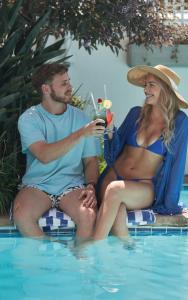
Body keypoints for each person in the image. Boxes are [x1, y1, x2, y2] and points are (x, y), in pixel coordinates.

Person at [93, 64, 188, 241]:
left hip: (143, 186)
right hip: (113, 176)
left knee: (114, 192)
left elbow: (177, 164)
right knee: (117, 207)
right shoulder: (135, 114)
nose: (145, 90)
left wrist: (170, 204)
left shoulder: (179, 121)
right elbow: (114, 151)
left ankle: (93, 246)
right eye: (145, 85)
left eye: (151, 85)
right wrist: (111, 129)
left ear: (165, 89)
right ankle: (127, 249)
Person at [13, 63, 105, 244]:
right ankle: (50, 253)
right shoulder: (30, 118)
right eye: (63, 83)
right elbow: (44, 155)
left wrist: (91, 186)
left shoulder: (81, 118)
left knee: (87, 215)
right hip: (38, 184)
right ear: (46, 89)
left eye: (69, 81)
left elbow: (90, 161)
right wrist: (81, 134)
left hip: (71, 185)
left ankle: (79, 263)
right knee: (21, 215)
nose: (70, 87)